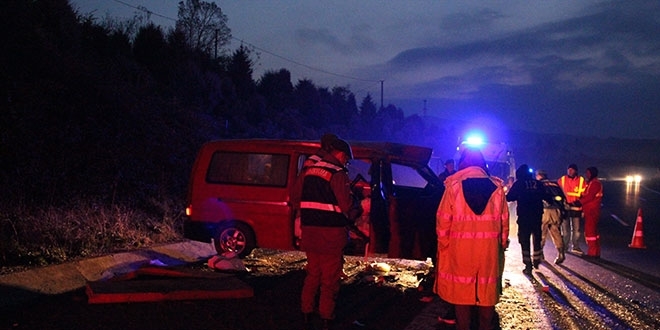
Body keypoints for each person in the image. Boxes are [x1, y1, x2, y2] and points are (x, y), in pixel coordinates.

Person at [434, 148, 509, 330]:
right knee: (487, 293)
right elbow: (504, 224)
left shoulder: (453, 187)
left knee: (461, 294)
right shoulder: (497, 189)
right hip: (488, 252)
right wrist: (501, 244)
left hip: (460, 251)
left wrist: (444, 247)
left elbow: (442, 221)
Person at [299, 138, 362, 330]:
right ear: (341, 155)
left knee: (312, 275)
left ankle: (306, 312)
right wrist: (357, 208)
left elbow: (297, 197)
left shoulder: (309, 171)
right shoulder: (337, 173)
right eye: (347, 160)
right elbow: (346, 205)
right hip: (331, 236)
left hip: (310, 233)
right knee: (330, 279)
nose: (346, 163)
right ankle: (327, 316)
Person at [506, 164, 546, 274]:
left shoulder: (519, 184)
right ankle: (537, 259)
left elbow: (509, 197)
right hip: (537, 215)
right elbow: (547, 196)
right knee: (537, 238)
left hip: (524, 216)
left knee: (524, 240)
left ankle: (528, 265)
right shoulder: (537, 184)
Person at [535, 169, 567, 264]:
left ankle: (540, 254)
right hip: (556, 211)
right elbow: (562, 198)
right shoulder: (555, 184)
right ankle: (561, 253)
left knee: (541, 233)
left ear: (539, 176)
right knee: (556, 232)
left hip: (544, 211)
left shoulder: (538, 184)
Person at [557, 164, 587, 255]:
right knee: (565, 230)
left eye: (572, 170)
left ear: (576, 171)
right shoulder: (562, 180)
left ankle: (575, 246)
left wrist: (579, 202)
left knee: (576, 230)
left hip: (576, 208)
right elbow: (557, 192)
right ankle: (565, 247)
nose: (570, 171)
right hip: (565, 208)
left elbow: (584, 194)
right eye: (569, 169)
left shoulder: (581, 181)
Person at [575, 167, 603, 258]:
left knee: (590, 232)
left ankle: (592, 253)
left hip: (592, 211)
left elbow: (589, 196)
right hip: (591, 210)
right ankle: (596, 252)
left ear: (592, 173)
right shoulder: (591, 183)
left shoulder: (594, 183)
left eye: (588, 173)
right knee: (594, 232)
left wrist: (579, 202)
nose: (586, 175)